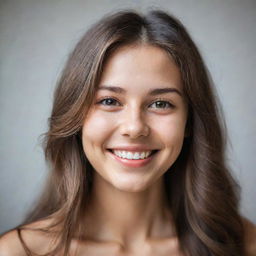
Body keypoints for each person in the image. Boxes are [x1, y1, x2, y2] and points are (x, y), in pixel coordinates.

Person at [0, 9, 255, 256]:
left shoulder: (245, 246)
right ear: (76, 116)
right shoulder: (19, 252)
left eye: (160, 103)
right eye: (109, 101)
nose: (134, 128)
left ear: (189, 122)